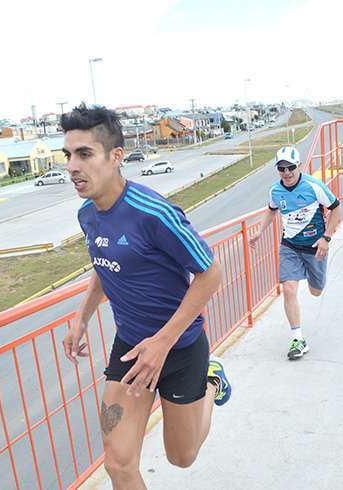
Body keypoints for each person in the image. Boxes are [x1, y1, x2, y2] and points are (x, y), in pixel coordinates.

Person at [61, 104, 231, 489]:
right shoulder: (87, 214)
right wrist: (81, 318)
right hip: (131, 349)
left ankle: (211, 382)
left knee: (181, 457)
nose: (72, 166)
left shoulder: (154, 213)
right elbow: (104, 267)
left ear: (116, 156)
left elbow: (211, 272)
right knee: (118, 464)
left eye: (84, 154)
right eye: (68, 155)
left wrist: (163, 342)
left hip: (181, 348)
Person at [249, 145, 341, 360]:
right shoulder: (275, 191)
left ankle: (311, 275)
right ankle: (298, 338)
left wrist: (326, 238)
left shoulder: (314, 186)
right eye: (282, 169)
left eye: (291, 167)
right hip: (289, 246)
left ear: (299, 166)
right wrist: (260, 232)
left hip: (315, 247)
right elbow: (271, 210)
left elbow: (336, 208)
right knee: (289, 289)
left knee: (316, 291)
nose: (287, 173)